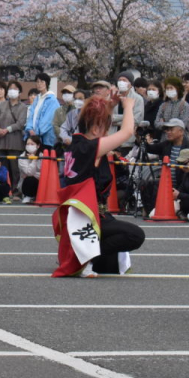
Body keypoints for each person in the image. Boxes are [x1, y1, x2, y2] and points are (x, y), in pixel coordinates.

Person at [53, 95, 146, 277]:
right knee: (135, 235)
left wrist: (109, 106)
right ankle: (84, 257)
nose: (108, 134)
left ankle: (79, 254)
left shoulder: (76, 144)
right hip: (89, 216)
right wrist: (128, 106)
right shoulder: (90, 148)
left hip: (87, 214)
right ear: (96, 129)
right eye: (105, 129)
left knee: (116, 248)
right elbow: (127, 132)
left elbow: (98, 126)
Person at [0, 80, 27, 195]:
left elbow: (21, 123)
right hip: (1, 141)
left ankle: (15, 189)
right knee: (1, 166)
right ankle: (3, 189)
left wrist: (7, 129)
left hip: (15, 141)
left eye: (15, 88)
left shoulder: (23, 107)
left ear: (19, 92)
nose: (12, 91)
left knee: (15, 168)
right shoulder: (3, 104)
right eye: (10, 88)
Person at [26, 72, 59, 150]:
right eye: (37, 82)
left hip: (46, 139)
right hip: (34, 137)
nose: (39, 84)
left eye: (42, 82)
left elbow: (48, 120)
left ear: (47, 83)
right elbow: (31, 115)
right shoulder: (37, 98)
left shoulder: (52, 100)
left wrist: (36, 133)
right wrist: (29, 128)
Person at [19, 138, 42, 203]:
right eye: (28, 144)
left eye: (32, 144)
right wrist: (34, 160)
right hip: (26, 183)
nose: (29, 146)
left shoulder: (42, 156)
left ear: (38, 145)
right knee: (30, 179)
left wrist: (35, 174)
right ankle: (28, 196)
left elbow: (44, 172)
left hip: (41, 181)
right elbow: (29, 173)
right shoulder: (22, 157)